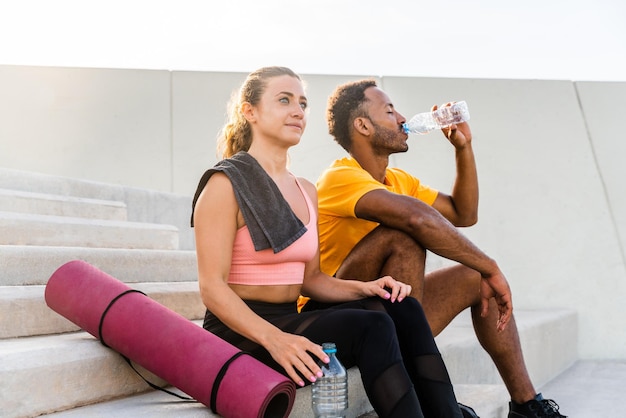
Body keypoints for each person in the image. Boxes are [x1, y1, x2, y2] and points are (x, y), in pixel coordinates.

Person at [191, 67, 480, 418]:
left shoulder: (304, 190)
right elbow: (211, 288)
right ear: (249, 111)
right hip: (242, 334)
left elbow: (312, 281)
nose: (298, 111)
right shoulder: (224, 184)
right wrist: (275, 339)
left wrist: (368, 287)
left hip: (288, 318)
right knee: (372, 327)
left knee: (400, 304)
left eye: (302, 102)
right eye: (284, 100)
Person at [303, 78, 566, 418]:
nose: (401, 118)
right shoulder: (340, 177)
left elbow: (463, 213)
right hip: (332, 314)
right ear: (363, 125)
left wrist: (462, 148)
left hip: (387, 312)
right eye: (389, 110)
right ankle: (426, 392)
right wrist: (492, 265)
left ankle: (527, 405)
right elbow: (417, 219)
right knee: (403, 236)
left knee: (474, 279)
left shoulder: (400, 182)